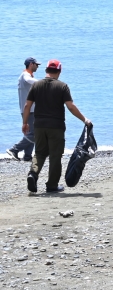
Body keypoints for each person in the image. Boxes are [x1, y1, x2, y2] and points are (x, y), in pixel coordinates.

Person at [21, 59, 91, 194]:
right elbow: (70, 106)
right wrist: (84, 119)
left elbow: (27, 106)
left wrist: (25, 123)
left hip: (39, 125)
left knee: (40, 153)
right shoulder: (62, 86)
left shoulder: (36, 85)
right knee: (55, 155)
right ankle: (52, 185)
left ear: (46, 70)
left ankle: (33, 174)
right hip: (56, 126)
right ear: (59, 71)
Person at [7, 57, 41, 162]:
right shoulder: (25, 75)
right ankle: (14, 149)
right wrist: (43, 82)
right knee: (34, 133)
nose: (37, 66)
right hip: (29, 109)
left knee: (29, 132)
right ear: (31, 64)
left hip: (28, 108)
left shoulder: (26, 75)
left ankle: (27, 156)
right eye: (36, 64)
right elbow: (28, 80)